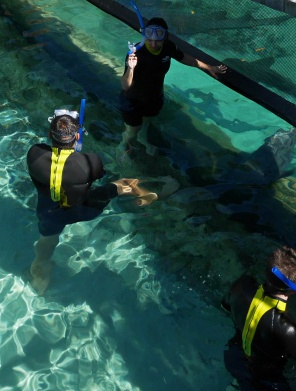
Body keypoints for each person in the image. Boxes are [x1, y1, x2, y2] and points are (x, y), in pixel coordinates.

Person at [27, 109, 177, 291]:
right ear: (77, 137)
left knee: (47, 241)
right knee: (123, 184)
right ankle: (158, 194)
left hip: (50, 211)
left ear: (51, 135)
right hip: (84, 207)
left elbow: (57, 162)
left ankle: (41, 272)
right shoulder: (89, 162)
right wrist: (77, 154)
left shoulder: (34, 154)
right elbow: (94, 173)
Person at [224, 246, 296, 391]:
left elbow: (226, 307)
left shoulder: (242, 285)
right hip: (265, 385)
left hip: (233, 358)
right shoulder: (286, 328)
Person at [118, 16, 227, 157]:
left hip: (154, 99)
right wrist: (131, 68)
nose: (153, 44)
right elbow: (125, 86)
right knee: (132, 131)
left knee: (146, 123)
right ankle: (122, 146)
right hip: (133, 101)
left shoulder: (168, 47)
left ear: (165, 37)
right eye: (149, 40)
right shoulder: (136, 54)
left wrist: (208, 67)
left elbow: (186, 58)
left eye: (157, 41)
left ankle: (143, 139)